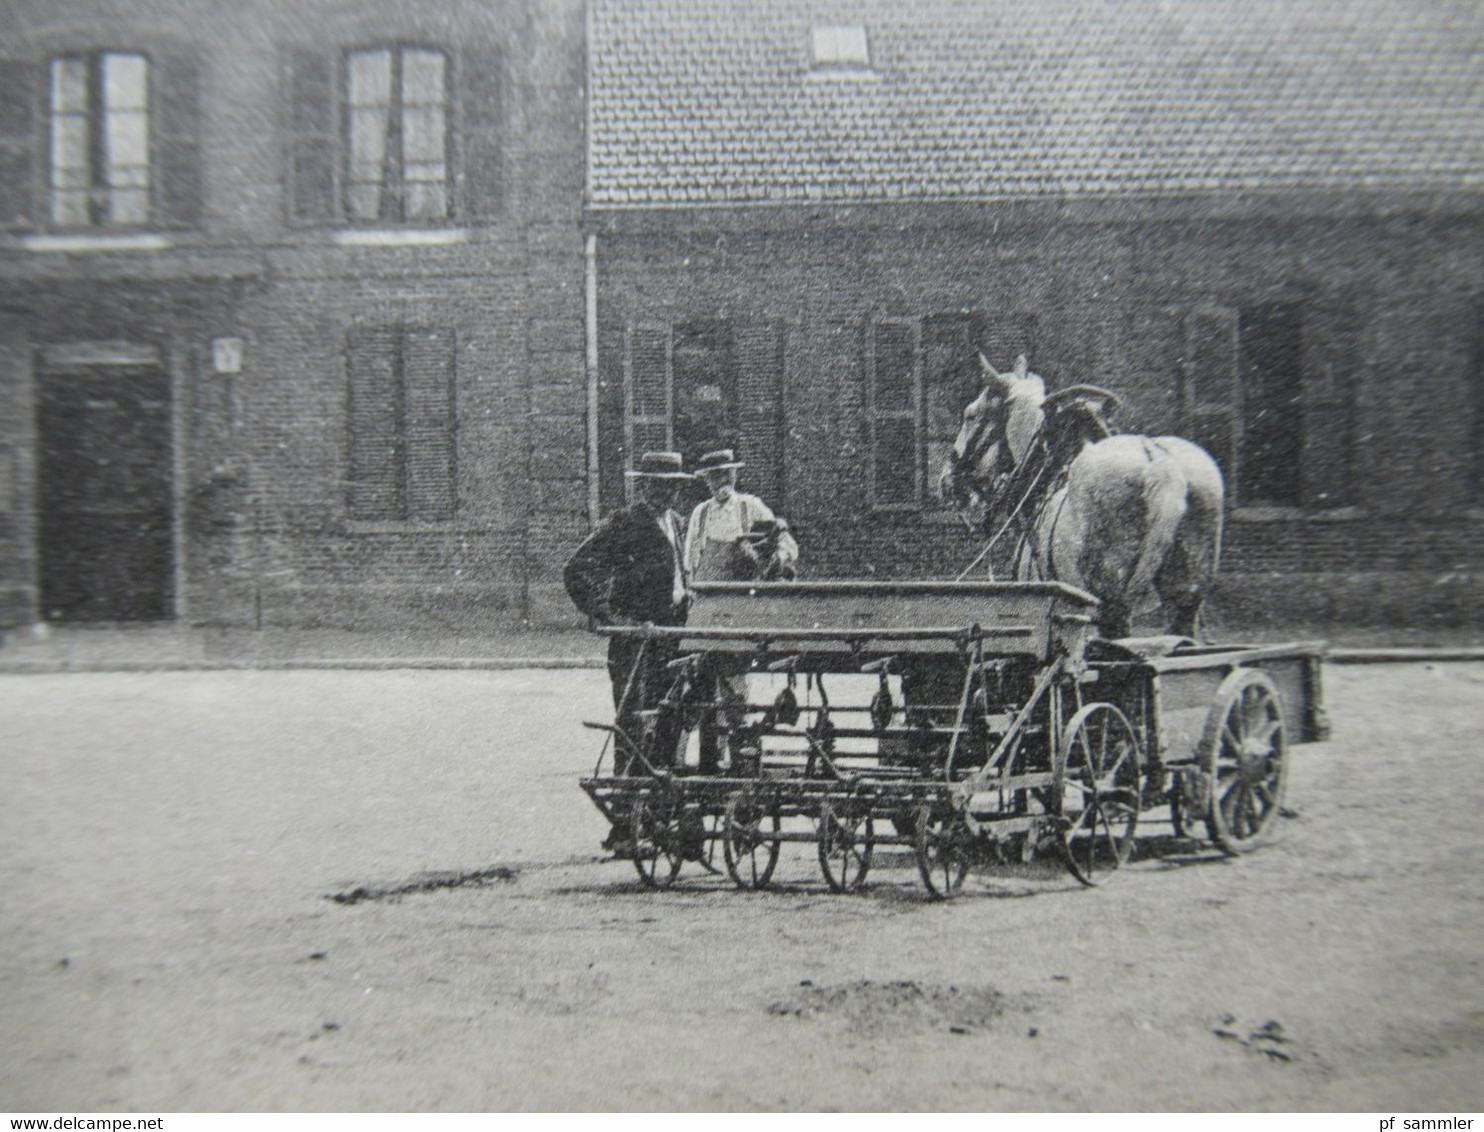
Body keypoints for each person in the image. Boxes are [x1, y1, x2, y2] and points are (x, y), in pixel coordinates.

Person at [563, 451, 693, 786]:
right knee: (634, 724)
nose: (668, 494)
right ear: (645, 486)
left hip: (673, 637)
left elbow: (678, 574)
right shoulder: (624, 523)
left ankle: (660, 813)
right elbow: (577, 569)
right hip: (636, 643)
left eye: (674, 487)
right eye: (660, 486)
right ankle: (626, 813)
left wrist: (686, 594)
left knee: (669, 722)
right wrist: (612, 616)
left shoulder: (677, 523)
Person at [683, 449, 798, 583]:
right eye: (715, 476)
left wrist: (778, 559)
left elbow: (786, 542)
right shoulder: (700, 512)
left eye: (727, 474)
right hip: (708, 590)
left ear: (735, 475)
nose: (722, 481)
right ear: (707, 479)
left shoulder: (751, 505)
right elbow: (689, 561)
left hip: (742, 591)